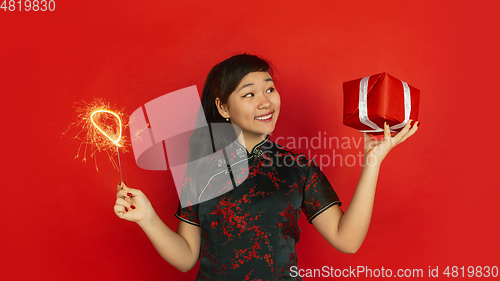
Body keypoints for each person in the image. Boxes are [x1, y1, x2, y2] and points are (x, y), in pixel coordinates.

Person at [114, 54, 419, 280]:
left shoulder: (297, 167)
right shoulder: (199, 170)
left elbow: (347, 240)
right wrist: (148, 217)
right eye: (248, 94)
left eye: (269, 90)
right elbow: (186, 258)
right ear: (223, 108)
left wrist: (372, 163)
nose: (265, 102)